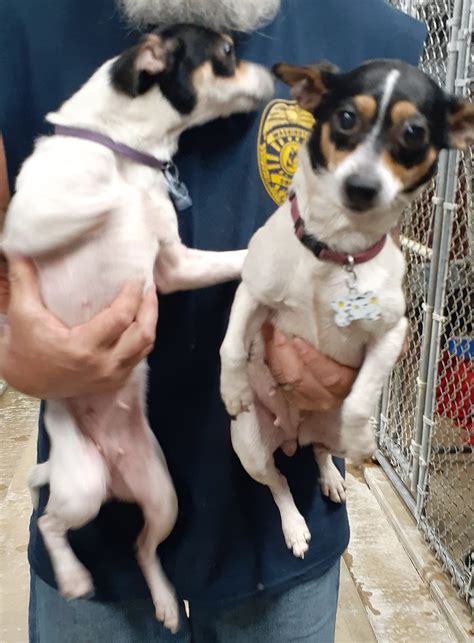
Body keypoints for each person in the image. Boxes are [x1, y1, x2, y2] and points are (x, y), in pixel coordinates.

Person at [0, 1, 425, 640]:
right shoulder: (17, 24)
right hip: (95, 523)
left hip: (277, 528)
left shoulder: (377, 40)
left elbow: (384, 263)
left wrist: (356, 347)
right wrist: (9, 344)